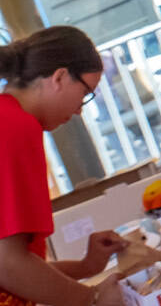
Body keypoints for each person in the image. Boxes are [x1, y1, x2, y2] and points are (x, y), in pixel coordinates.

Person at [0, 27, 124, 306]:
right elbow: (8, 264)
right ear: (59, 77)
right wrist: (92, 298)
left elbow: (15, 272)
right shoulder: (15, 127)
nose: (81, 109)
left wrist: (86, 268)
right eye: (86, 93)